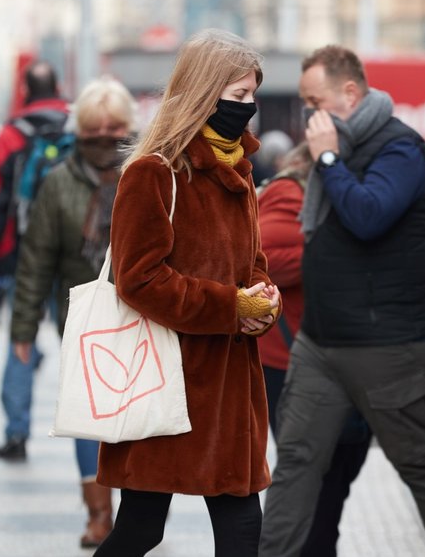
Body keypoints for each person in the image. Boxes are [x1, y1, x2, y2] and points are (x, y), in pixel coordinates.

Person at [260, 45, 425, 556]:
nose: (309, 115)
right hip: (321, 343)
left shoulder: (399, 149)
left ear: (351, 93)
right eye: (305, 104)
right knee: (296, 463)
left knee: (418, 463)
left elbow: (368, 215)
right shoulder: (333, 149)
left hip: (391, 346)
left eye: (316, 101)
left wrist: (330, 159)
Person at [93, 28, 280, 557]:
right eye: (239, 95)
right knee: (141, 530)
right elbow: (139, 279)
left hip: (228, 388)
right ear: (204, 92)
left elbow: (255, 267)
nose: (249, 107)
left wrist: (264, 303)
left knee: (243, 531)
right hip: (164, 382)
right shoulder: (154, 174)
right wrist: (230, 306)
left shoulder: (238, 172)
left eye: (252, 95)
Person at [8, 76, 134, 547]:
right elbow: (35, 259)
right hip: (79, 320)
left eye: (115, 127)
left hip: (141, 314)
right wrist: (22, 330)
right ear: (79, 129)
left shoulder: (146, 171)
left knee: (139, 416)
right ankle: (99, 514)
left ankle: (137, 514)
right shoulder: (58, 182)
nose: (105, 137)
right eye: (95, 128)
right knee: (89, 418)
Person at [256, 141, 372, 556]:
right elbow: (264, 256)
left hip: (334, 361)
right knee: (312, 486)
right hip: (291, 363)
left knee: (331, 483)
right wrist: (340, 252)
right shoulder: (291, 192)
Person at [0, 60, 71, 461]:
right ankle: (100, 431)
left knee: (20, 339)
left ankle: (16, 434)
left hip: (22, 256)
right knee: (80, 343)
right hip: (73, 257)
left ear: (26, 92)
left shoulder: (11, 135)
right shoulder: (78, 126)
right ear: (58, 87)